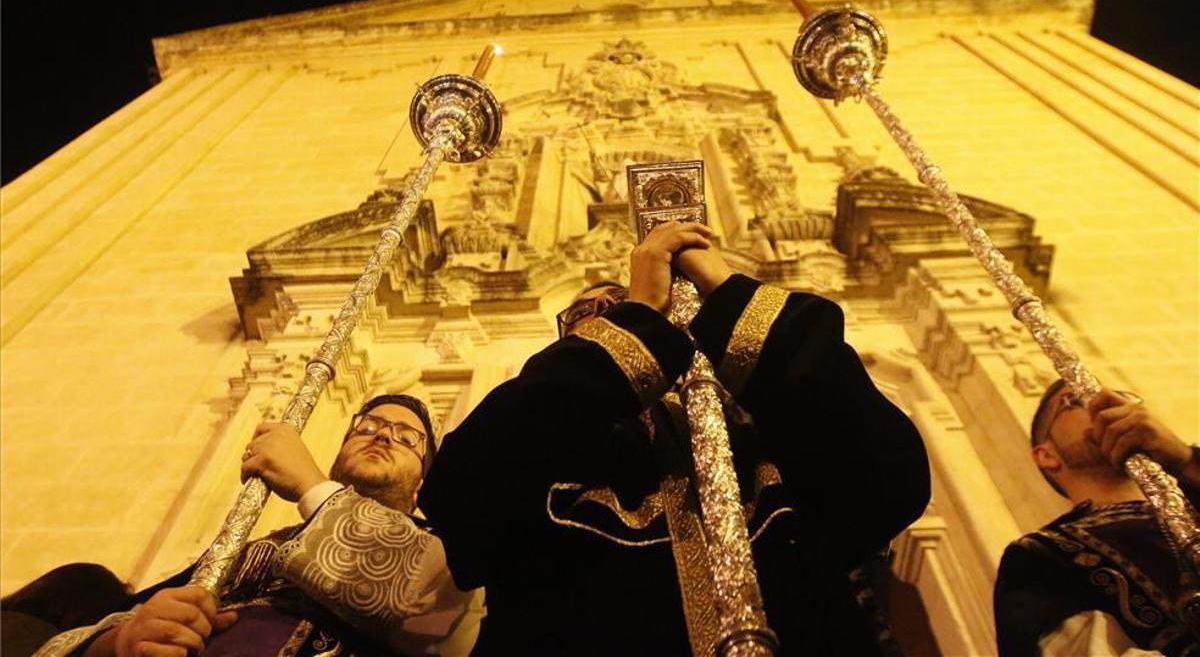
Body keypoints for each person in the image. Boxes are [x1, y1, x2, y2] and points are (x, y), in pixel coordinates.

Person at [419, 221, 931, 655]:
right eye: (587, 312)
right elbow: (460, 502)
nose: (613, 311)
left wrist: (725, 288)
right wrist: (638, 313)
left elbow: (889, 480)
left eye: (625, 302)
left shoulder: (765, 432)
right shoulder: (530, 434)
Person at [35, 393, 480, 657]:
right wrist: (118, 642)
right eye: (368, 427)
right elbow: (66, 643)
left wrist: (310, 485)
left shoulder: (446, 553)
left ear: (421, 484)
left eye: (407, 438)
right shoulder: (246, 552)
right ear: (337, 455)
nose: (382, 435)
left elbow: (444, 618)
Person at [994, 379, 1200, 656]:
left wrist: (1187, 461)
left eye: (1118, 395)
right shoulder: (1041, 557)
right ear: (1047, 455)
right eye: (1076, 400)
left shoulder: (1192, 499)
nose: (1107, 402)